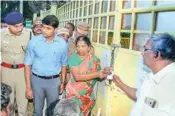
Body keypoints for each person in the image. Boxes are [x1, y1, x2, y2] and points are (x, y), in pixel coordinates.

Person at [113, 33, 175, 116]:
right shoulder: (153, 75)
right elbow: (140, 95)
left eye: (145, 49)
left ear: (156, 54)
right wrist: (120, 84)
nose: (142, 53)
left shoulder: (170, 83)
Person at [24, 15, 68, 116]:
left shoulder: (62, 44)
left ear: (55, 29)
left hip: (54, 81)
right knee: (37, 111)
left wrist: (62, 82)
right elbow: (27, 65)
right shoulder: (33, 42)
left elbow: (64, 64)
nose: (44, 30)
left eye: (48, 28)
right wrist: (28, 87)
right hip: (37, 80)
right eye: (43, 27)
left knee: (52, 111)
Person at [66, 36, 110, 116]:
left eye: (83, 46)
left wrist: (105, 72)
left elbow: (99, 77)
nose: (80, 49)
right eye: (78, 46)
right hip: (74, 94)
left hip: (87, 95)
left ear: (89, 47)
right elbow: (77, 77)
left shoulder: (94, 59)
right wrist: (97, 74)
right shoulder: (74, 58)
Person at [1, 11, 30, 116]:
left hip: (23, 72)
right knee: (8, 102)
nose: (20, 28)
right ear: (8, 26)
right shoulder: (1, 35)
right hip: (6, 72)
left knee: (23, 102)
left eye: (21, 25)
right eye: (16, 26)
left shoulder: (28, 34)